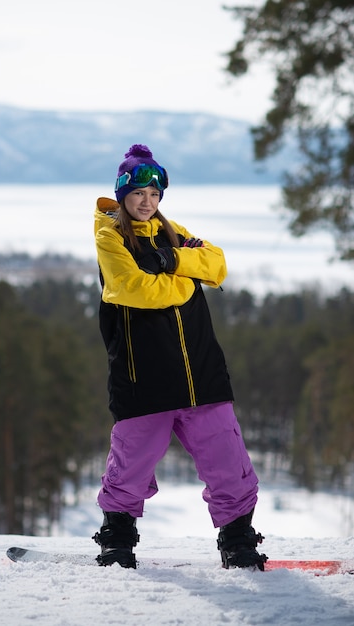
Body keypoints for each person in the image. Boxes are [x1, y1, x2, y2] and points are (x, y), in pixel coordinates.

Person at [92, 144, 267, 571]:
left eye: (153, 194)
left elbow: (217, 263)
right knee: (130, 465)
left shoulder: (174, 232)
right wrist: (187, 283)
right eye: (137, 194)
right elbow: (133, 288)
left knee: (228, 460)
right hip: (142, 377)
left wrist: (171, 258)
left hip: (201, 373)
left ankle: (238, 540)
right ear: (121, 196)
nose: (146, 202)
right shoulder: (110, 238)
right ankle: (117, 541)